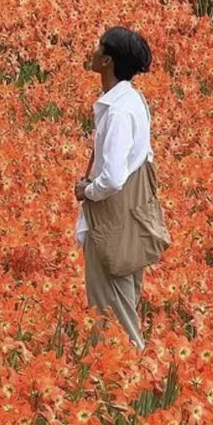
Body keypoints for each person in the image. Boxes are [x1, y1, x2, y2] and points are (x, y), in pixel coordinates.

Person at [74, 26, 154, 351]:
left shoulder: (119, 111)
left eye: (97, 47)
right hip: (130, 216)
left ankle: (128, 379)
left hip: (113, 221)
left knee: (113, 312)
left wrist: (86, 190)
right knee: (121, 301)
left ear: (107, 60)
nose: (92, 51)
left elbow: (112, 178)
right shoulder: (131, 100)